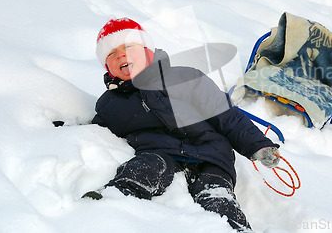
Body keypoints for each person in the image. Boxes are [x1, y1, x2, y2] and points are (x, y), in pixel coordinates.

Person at [83, 17, 281, 232]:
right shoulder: (110, 104)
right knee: (141, 168)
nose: (121, 54)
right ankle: (111, 200)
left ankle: (236, 229)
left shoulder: (185, 76)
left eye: (129, 47)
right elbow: (97, 131)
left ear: (148, 52)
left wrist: (257, 145)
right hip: (160, 153)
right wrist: (63, 130)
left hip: (210, 153)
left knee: (217, 195)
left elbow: (226, 115)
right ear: (108, 68)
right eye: (112, 54)